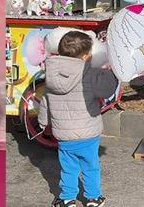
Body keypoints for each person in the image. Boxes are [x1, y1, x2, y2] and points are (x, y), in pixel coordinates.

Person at [38, 31, 119, 207]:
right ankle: (93, 198)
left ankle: (67, 199)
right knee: (91, 167)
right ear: (85, 56)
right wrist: (111, 73)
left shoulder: (51, 75)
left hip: (64, 135)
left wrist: (43, 122)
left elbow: (45, 101)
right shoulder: (90, 74)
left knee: (69, 168)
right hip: (89, 133)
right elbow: (107, 90)